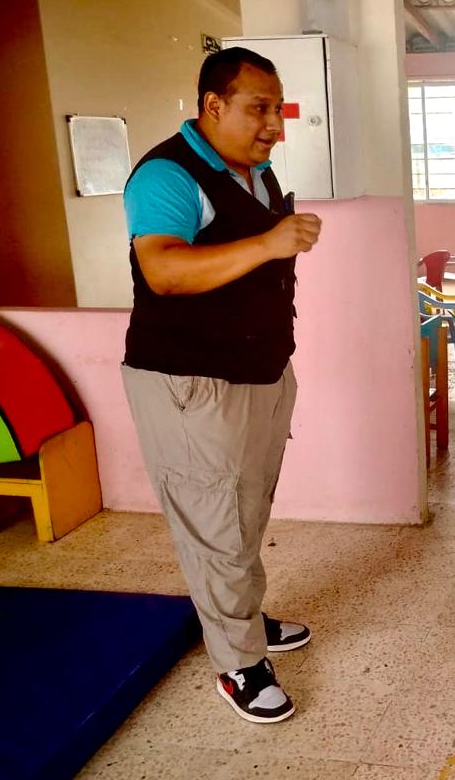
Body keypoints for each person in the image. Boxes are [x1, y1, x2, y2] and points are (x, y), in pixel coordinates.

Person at [121, 47, 322, 723]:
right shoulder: (166, 175)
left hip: (260, 373)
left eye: (278, 109)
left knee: (245, 510)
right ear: (213, 106)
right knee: (217, 525)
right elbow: (164, 271)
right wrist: (269, 244)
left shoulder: (255, 172)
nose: (275, 126)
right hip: (192, 383)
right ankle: (237, 663)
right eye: (259, 109)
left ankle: (245, 620)